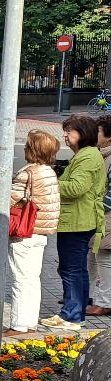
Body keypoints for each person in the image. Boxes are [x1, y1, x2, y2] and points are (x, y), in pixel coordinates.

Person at [40, 114, 106, 330]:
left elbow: (77, 188)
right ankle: (72, 311)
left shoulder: (87, 157)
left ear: (83, 134)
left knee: (71, 269)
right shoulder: (86, 155)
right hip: (78, 219)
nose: (65, 135)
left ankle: (72, 316)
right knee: (75, 268)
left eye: (70, 131)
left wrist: (50, 183)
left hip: (78, 220)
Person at [4, 130, 61, 337]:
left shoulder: (28, 173)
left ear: (33, 149)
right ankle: (30, 323)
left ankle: (18, 325)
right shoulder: (49, 171)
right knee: (33, 278)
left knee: (20, 278)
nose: (24, 148)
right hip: (41, 232)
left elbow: (9, 200)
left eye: (27, 145)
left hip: (24, 232)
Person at [89, 115, 111, 318]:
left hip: (108, 216)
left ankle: (104, 302)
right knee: (94, 255)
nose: (94, 135)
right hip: (102, 214)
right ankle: (94, 296)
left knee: (104, 257)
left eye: (98, 131)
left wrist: (99, 207)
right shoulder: (102, 155)